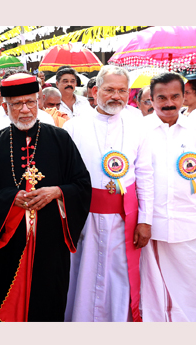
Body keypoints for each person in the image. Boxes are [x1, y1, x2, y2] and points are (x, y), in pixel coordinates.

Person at [0, 73, 91, 322]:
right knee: (0, 298)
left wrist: (57, 192)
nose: (25, 110)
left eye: (30, 102)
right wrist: (11, 198)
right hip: (7, 243)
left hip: (49, 241)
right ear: (5, 107)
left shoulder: (59, 139)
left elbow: (81, 184)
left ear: (39, 102)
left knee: (46, 301)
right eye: (17, 104)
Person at [63, 65, 153, 322]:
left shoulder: (138, 126)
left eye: (122, 90)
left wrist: (145, 220)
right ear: (95, 91)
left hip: (125, 219)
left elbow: (145, 175)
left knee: (119, 276)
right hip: (84, 217)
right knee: (84, 274)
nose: (116, 96)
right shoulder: (73, 127)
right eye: (110, 89)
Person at [140, 72, 196, 322]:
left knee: (189, 286)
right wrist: (142, 220)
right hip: (149, 226)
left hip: (189, 224)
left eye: (175, 96)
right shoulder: (138, 131)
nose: (169, 102)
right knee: (152, 290)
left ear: (185, 97)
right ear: (150, 99)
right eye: (161, 97)